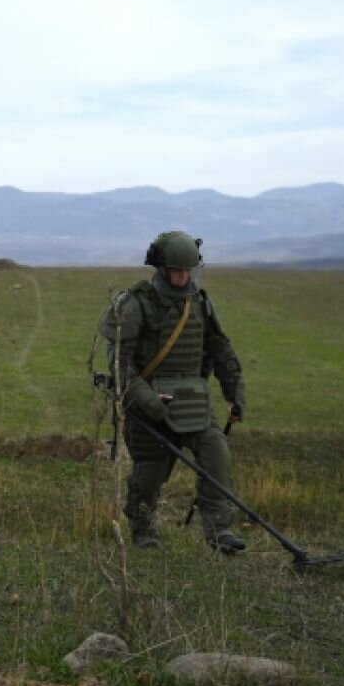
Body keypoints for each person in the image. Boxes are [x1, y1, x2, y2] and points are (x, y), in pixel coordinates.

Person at [97, 230, 247, 553]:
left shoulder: (201, 304)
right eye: (177, 272)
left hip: (192, 401)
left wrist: (235, 393)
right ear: (162, 270)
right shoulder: (135, 304)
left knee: (215, 451)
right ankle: (143, 530)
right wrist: (147, 400)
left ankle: (219, 530)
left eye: (188, 272)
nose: (183, 278)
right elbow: (120, 365)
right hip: (148, 404)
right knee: (149, 471)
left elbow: (222, 351)